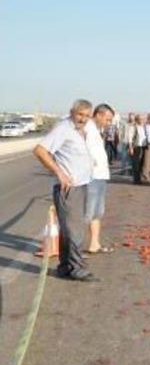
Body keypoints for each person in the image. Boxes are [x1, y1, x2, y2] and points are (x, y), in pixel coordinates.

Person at [32, 99, 95, 281]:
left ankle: (65, 267)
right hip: (69, 188)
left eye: (87, 116)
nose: (83, 119)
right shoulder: (63, 129)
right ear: (72, 112)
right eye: (80, 114)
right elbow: (40, 150)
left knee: (70, 229)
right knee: (75, 230)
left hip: (81, 184)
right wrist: (59, 172)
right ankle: (77, 268)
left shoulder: (79, 131)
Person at [83, 103, 115, 255]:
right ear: (99, 115)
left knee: (97, 212)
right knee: (87, 213)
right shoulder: (86, 128)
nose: (108, 123)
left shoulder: (96, 130)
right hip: (91, 176)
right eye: (107, 119)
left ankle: (94, 243)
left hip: (100, 175)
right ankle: (72, 248)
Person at [128, 114, 147, 184]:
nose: (142, 120)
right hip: (136, 147)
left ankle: (139, 178)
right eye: (140, 119)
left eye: (142, 119)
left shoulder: (143, 127)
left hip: (143, 147)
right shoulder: (133, 127)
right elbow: (130, 138)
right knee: (135, 164)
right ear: (137, 119)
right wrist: (130, 148)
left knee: (141, 164)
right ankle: (136, 180)